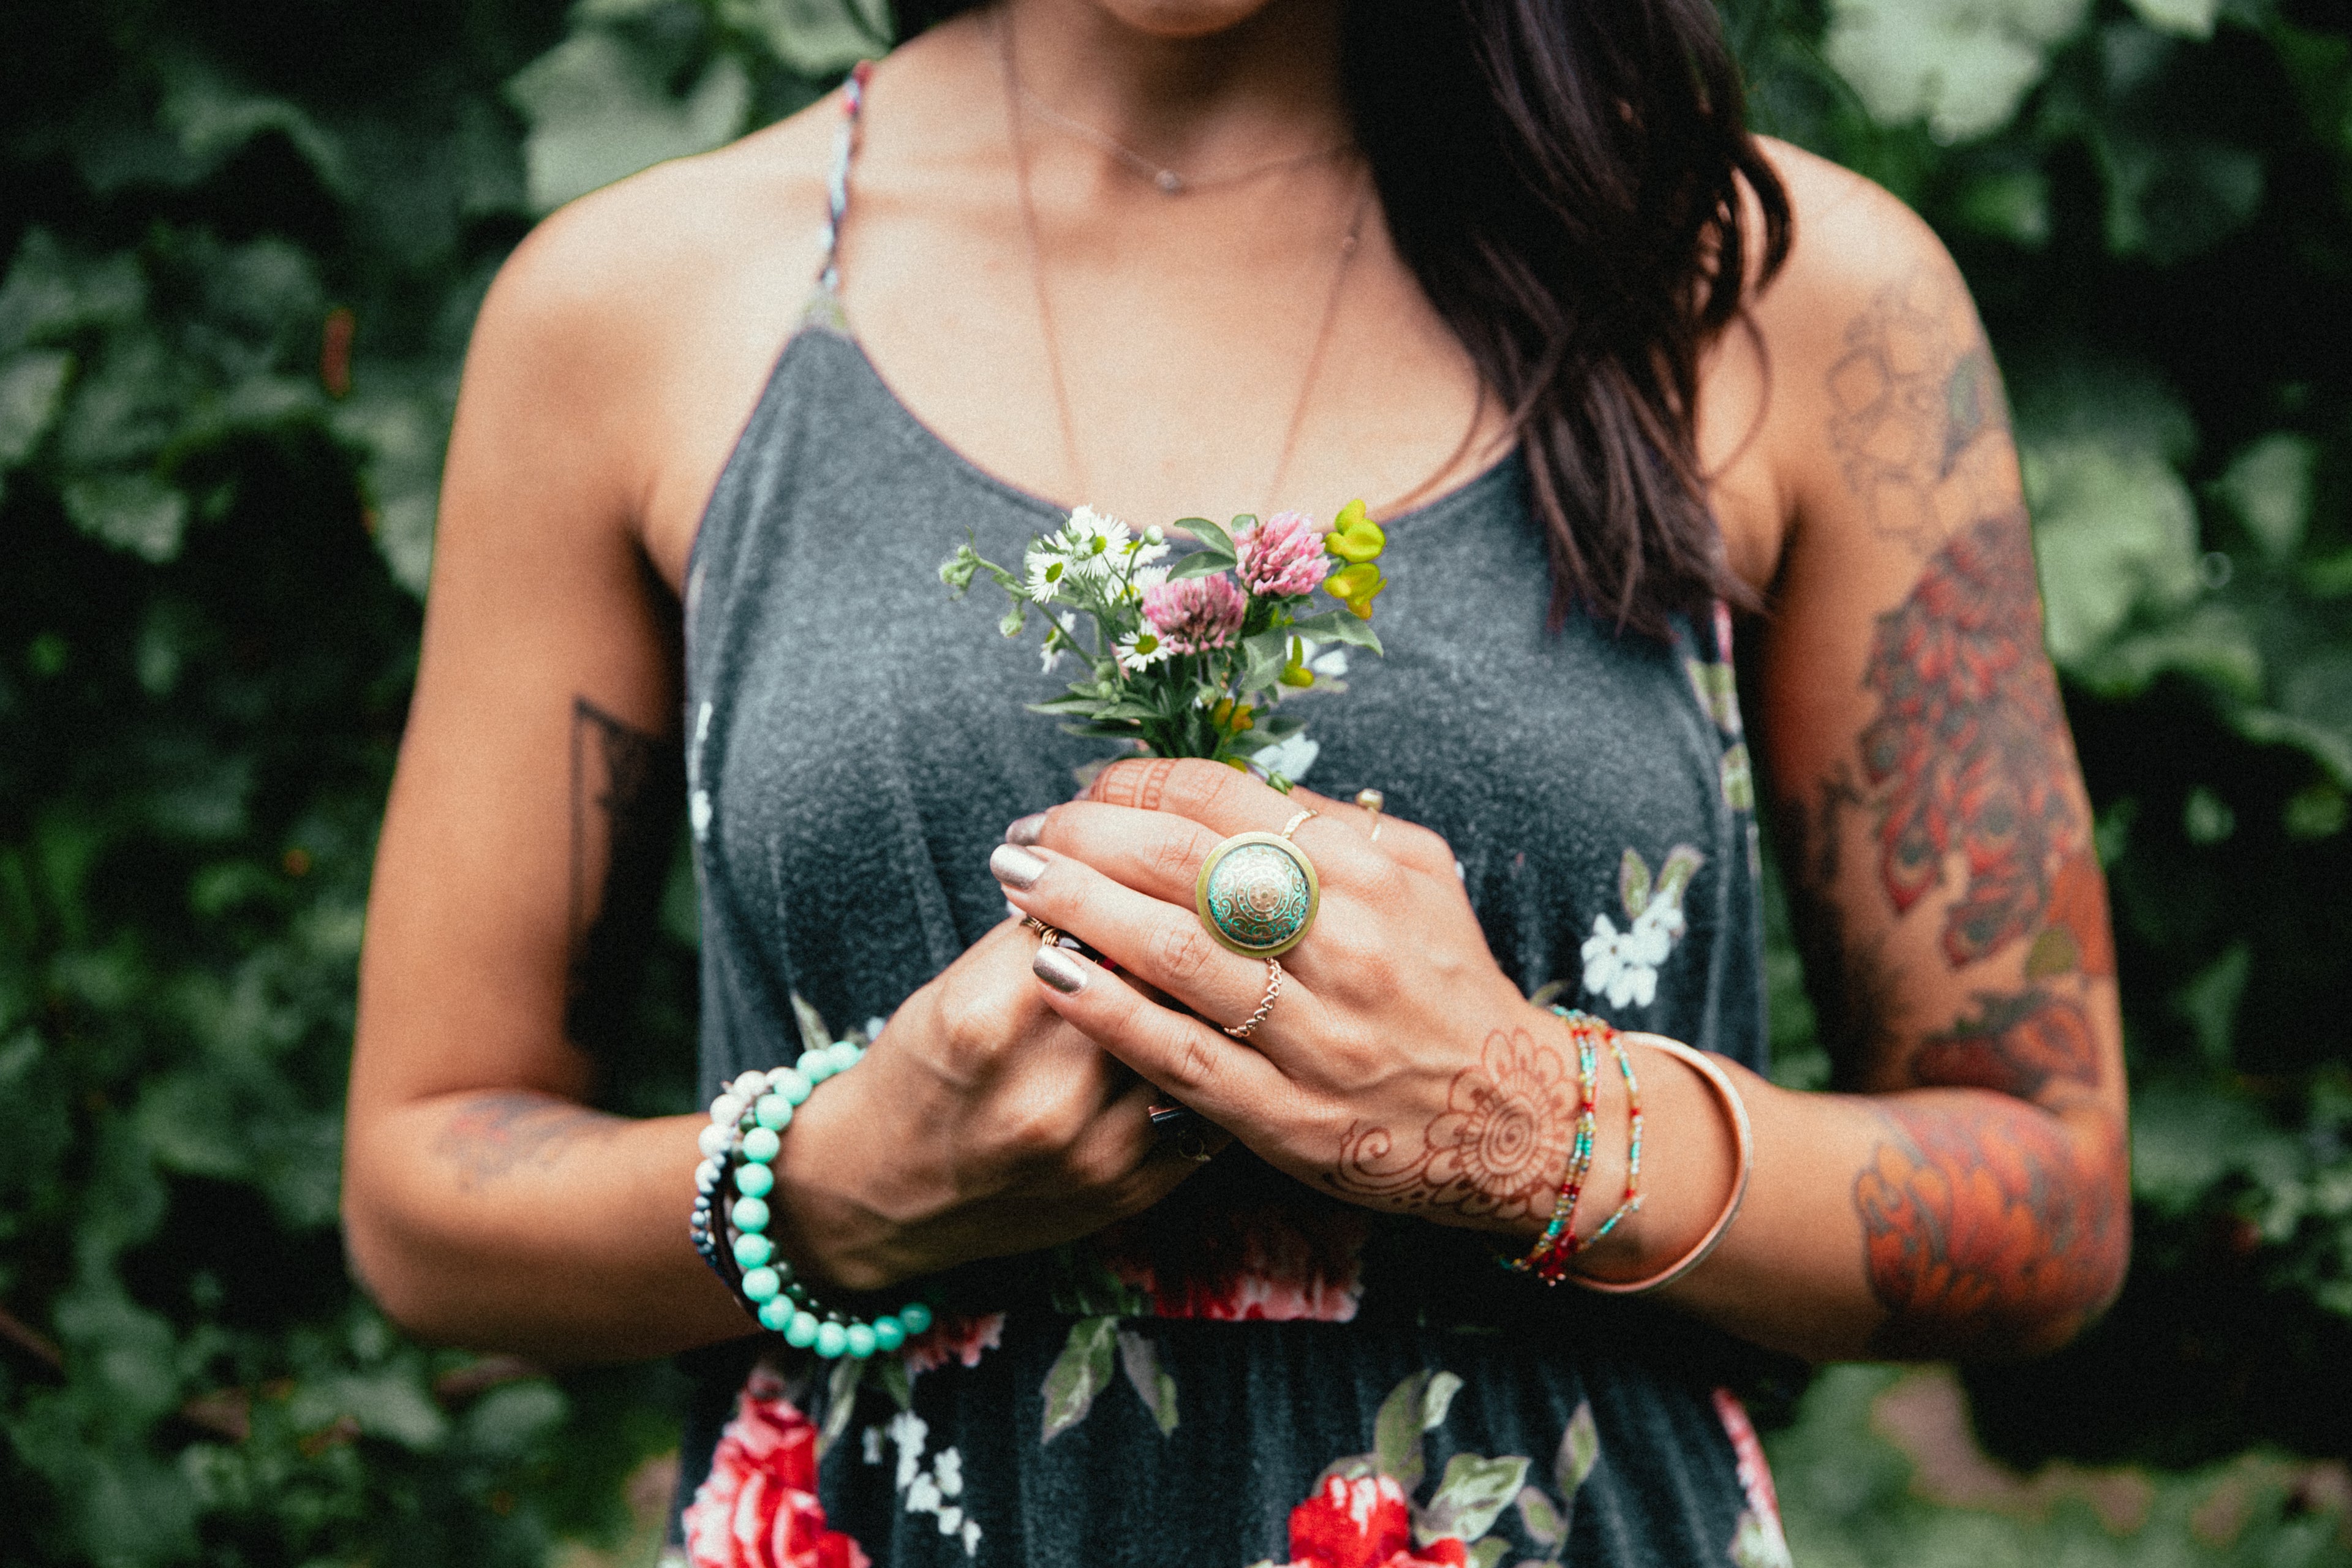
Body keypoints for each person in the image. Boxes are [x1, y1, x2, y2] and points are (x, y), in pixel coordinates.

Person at [343, 0, 2131, 1561]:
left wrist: (1534, 1121)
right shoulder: (641, 311)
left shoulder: (1771, 296)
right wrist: (839, 1178)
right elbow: (427, 1200)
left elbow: (2047, 1197)